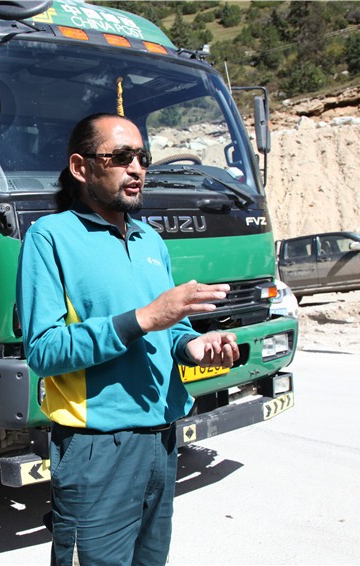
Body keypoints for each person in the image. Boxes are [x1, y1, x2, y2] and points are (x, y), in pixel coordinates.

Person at [16, 113, 239, 565]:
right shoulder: (50, 237)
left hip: (162, 440)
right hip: (96, 447)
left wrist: (192, 345)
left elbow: (168, 327)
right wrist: (143, 318)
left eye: (142, 157)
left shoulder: (150, 240)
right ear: (81, 167)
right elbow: (43, 350)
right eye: (120, 157)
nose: (136, 168)